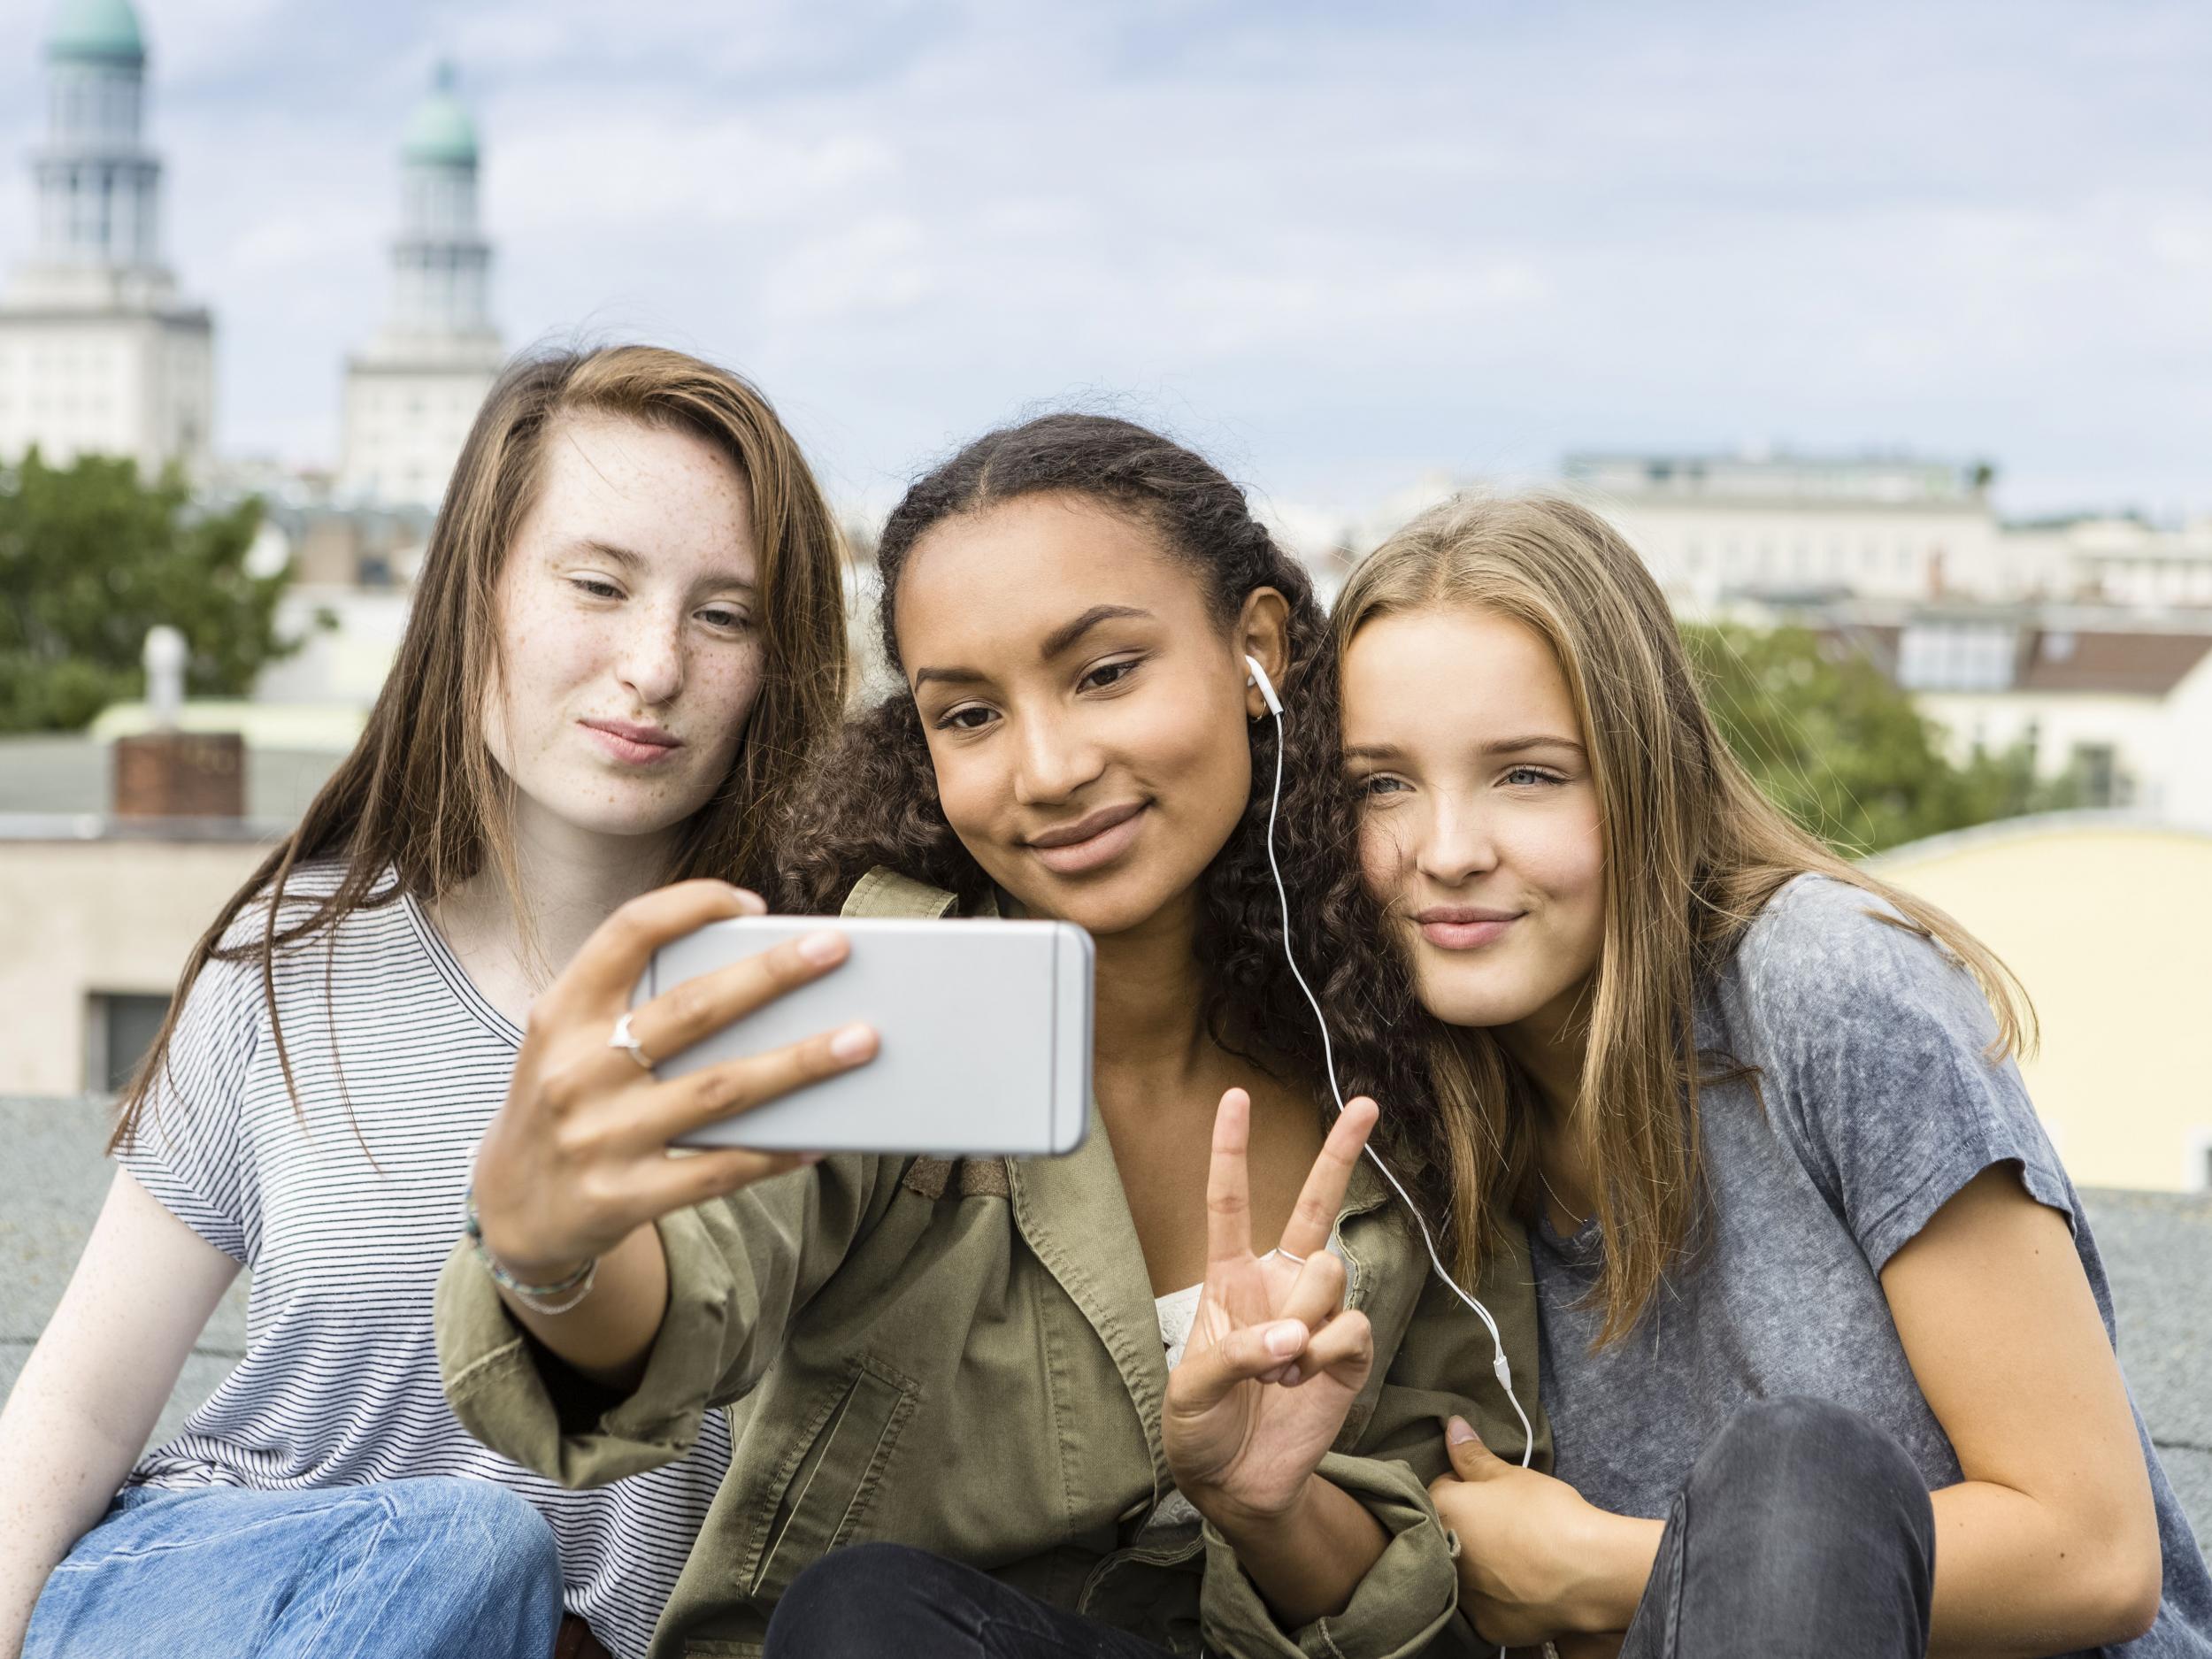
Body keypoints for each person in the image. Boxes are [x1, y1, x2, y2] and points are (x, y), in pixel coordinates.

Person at [437, 413, 1545, 1659]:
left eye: (1106, 672)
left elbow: (1449, 1579)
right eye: (968, 716)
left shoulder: (1401, 1030)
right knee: (869, 1612)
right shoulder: (877, 995)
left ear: (1257, 652)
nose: (1049, 768)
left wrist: (1265, 1498)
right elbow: (698, 1281)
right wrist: (556, 1253)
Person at [0, 344, 854, 1659]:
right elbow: (74, 1408)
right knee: (475, 1543)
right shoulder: (291, 963)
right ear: (480, 592)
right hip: (215, 1598)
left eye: (724, 617)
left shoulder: (812, 1027)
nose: (654, 665)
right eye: (598, 585)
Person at [1333, 492, 2212, 1658]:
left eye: (1529, 776)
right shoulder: (1401, 1095)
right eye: (1381, 784)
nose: (1445, 851)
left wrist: (1602, 1567)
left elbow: (2092, 1554)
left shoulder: (1825, 987)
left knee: (1799, 1483)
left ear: (1646, 776)